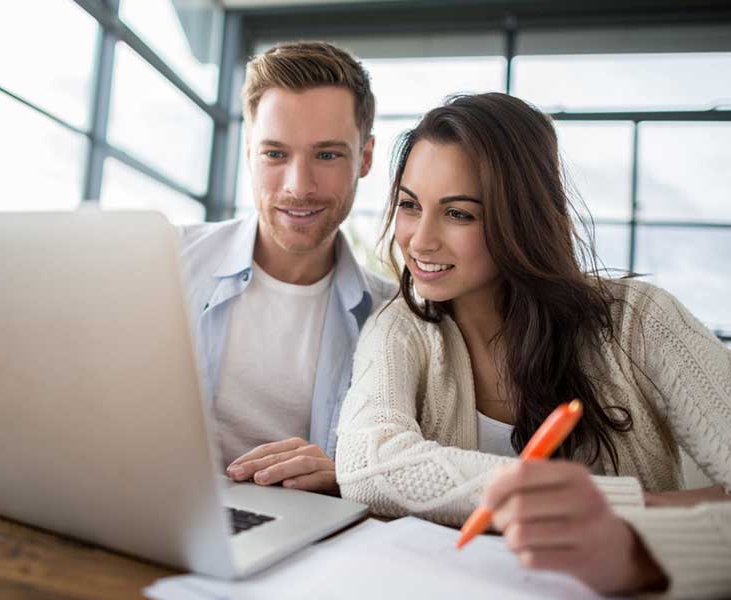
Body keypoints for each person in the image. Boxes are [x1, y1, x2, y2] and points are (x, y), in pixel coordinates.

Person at [334, 92, 731, 596]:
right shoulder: (401, 328)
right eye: (411, 206)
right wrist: (619, 502)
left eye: (459, 214)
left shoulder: (641, 319)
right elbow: (370, 466)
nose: (420, 240)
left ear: (521, 218)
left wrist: (635, 541)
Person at [179, 42, 394, 494]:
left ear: (366, 158)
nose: (299, 187)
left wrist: (348, 478)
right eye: (275, 154)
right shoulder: (166, 263)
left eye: (328, 155)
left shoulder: (392, 318)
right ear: (249, 152)